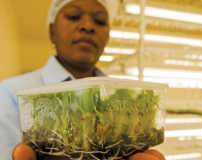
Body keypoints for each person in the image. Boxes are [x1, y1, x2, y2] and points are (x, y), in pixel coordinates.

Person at [0, 0, 165, 159]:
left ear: (108, 36)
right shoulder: (10, 93)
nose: (88, 26)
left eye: (99, 21)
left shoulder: (123, 97)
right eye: (73, 16)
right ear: (52, 31)